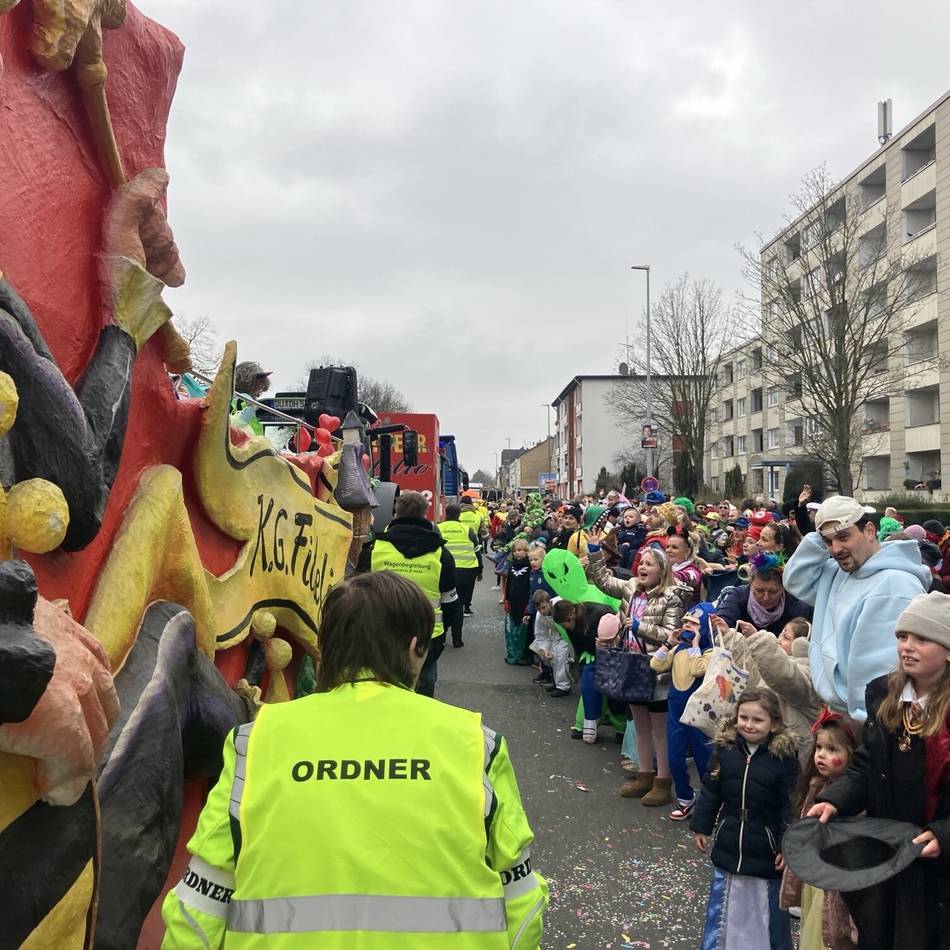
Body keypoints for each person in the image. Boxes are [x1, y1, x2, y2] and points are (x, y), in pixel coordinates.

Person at [161, 570, 548, 948]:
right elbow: (523, 906)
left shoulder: (256, 740)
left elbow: (197, 910)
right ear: (415, 647)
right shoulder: (475, 743)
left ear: (327, 647)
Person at [808, 591, 950, 949]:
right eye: (903, 636)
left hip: (939, 864)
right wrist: (835, 800)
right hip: (890, 853)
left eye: (922, 638)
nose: (907, 646)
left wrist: (945, 836)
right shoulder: (884, 694)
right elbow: (868, 763)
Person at [784, 495, 930, 721]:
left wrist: (864, 726)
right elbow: (795, 580)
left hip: (862, 722)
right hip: (838, 715)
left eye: (844, 537)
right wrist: (821, 531)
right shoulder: (839, 572)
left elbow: (878, 673)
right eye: (828, 542)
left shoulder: (894, 585)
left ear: (870, 531)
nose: (836, 549)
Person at [690, 688, 800, 950]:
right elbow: (711, 790)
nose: (749, 725)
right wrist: (702, 826)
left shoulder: (784, 760)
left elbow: (789, 806)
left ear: (773, 723)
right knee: (726, 907)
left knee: (766, 911)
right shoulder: (725, 751)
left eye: (758, 719)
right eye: (744, 717)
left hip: (765, 846)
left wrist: (787, 845)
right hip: (730, 839)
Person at [587, 535, 690, 806]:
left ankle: (663, 782)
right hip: (631, 665)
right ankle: (644, 776)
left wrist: (638, 627)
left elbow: (672, 633)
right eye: (641, 563)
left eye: (650, 564)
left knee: (659, 730)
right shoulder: (631, 587)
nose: (642, 568)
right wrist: (595, 551)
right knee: (640, 726)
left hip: (656, 670)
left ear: (663, 570)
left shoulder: (672, 596)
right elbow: (604, 581)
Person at [359, 490, 458, 697]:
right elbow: (450, 601)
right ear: (425, 514)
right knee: (424, 686)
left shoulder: (375, 549)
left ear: (396, 512)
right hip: (427, 635)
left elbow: (357, 594)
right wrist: (443, 630)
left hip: (381, 632)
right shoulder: (441, 554)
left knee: (380, 686)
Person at [780, 708, 860, 950]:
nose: (821, 756)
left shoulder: (853, 800)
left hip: (836, 884)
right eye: (819, 748)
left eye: (832, 750)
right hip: (815, 882)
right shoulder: (816, 787)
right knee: (814, 932)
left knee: (832, 933)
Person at [711, 614, 819, 763]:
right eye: (780, 634)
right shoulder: (774, 665)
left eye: (786, 638)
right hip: (763, 745)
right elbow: (753, 674)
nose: (778, 640)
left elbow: (783, 677)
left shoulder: (809, 671)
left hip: (792, 755)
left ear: (801, 645)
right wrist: (729, 636)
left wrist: (759, 640)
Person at [650, 602, 714, 820]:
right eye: (685, 621)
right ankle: (686, 798)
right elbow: (656, 665)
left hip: (698, 715)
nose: (686, 626)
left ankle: (711, 805)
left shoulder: (710, 651)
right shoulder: (679, 648)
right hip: (676, 711)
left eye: (693, 623)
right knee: (674, 758)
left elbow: (698, 669)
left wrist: (696, 644)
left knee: (705, 762)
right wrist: (669, 643)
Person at [552, 599, 614, 740]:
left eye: (565, 624)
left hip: (609, 655)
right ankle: (584, 726)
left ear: (571, 616)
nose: (565, 628)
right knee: (587, 688)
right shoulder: (572, 625)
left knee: (611, 694)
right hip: (591, 656)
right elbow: (578, 646)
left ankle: (617, 726)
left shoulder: (597, 613)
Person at [715, 553, 813, 635]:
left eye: (773, 591)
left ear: (784, 587)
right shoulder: (737, 596)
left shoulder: (796, 606)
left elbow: (801, 645)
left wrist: (758, 639)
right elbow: (718, 629)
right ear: (750, 583)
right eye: (759, 590)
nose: (766, 598)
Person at [438, 504, 483, 640]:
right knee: (459, 604)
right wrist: (480, 570)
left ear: (446, 514)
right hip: (466, 571)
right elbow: (477, 551)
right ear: (459, 515)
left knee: (443, 603)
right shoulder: (467, 530)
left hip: (444, 571)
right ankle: (457, 639)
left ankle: (443, 634)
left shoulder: (438, 528)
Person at [530, 590, 572, 697]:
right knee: (551, 657)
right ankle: (557, 682)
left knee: (561, 657)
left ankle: (564, 687)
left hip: (568, 634)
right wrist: (545, 649)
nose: (542, 611)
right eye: (539, 609)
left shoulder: (561, 604)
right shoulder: (540, 616)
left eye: (544, 607)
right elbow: (540, 635)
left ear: (550, 602)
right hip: (555, 635)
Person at [503, 539, 532, 666]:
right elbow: (508, 584)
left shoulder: (530, 568)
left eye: (519, 550)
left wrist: (529, 606)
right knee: (513, 630)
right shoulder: (512, 567)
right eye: (514, 551)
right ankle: (514, 653)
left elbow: (531, 588)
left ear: (526, 551)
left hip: (524, 603)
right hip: (513, 603)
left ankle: (526, 654)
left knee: (525, 630)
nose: (516, 553)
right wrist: (506, 599)